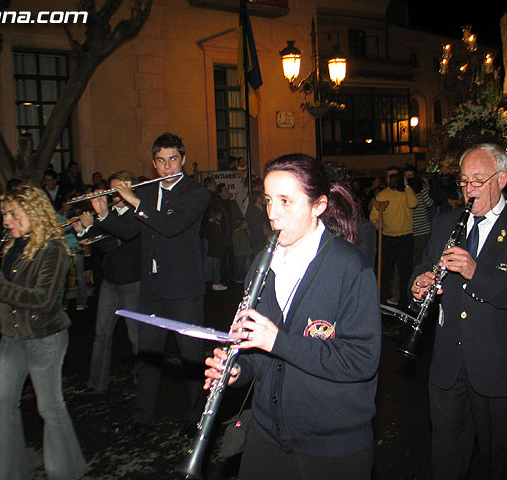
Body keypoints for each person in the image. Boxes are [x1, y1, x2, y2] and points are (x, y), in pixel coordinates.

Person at [204, 154, 381, 480]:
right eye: (269, 200)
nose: (272, 214)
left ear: (319, 205)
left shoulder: (350, 267)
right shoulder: (262, 263)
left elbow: (361, 360)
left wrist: (278, 341)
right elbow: (260, 353)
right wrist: (237, 368)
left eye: (286, 201)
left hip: (332, 444)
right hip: (268, 433)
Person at [410, 144, 507, 480]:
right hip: (448, 364)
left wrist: (477, 272)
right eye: (464, 181)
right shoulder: (446, 221)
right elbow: (425, 265)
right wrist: (419, 284)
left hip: (497, 366)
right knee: (446, 456)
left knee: (496, 461)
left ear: (501, 179)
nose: (468, 189)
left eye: (478, 180)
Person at [0, 183, 86, 480]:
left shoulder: (53, 248)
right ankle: (8, 473)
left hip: (45, 338)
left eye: (13, 214)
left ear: (34, 212)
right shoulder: (11, 246)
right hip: (12, 339)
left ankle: (66, 471)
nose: (6, 221)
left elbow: (42, 299)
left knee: (49, 408)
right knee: (3, 407)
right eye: (5, 214)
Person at [90, 132, 210, 432]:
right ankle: (142, 418)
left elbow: (170, 226)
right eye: (161, 161)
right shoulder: (147, 192)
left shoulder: (196, 193)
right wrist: (104, 214)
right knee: (148, 355)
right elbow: (129, 230)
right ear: (154, 164)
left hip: (184, 290)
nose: (167, 167)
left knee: (191, 357)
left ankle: (196, 417)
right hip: (152, 288)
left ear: (182, 159)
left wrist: (132, 200)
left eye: (173, 159)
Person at [74, 170, 141, 394]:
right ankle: (96, 383)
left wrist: (96, 222)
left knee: (135, 335)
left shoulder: (137, 212)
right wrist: (84, 230)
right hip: (110, 280)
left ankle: (143, 381)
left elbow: (121, 239)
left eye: (118, 189)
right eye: (112, 190)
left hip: (132, 281)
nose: (114, 195)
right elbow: (102, 245)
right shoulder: (108, 213)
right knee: (101, 333)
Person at [369, 166, 418, 307]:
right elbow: (373, 216)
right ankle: (383, 300)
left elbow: (414, 203)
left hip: (405, 237)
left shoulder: (406, 193)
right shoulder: (382, 195)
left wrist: (407, 186)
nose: (393, 179)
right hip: (387, 238)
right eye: (390, 176)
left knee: (405, 272)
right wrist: (376, 222)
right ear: (387, 179)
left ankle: (405, 302)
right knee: (384, 270)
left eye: (396, 176)